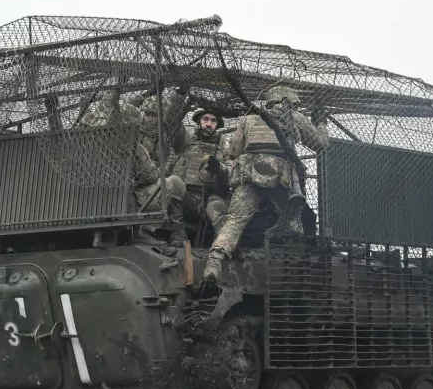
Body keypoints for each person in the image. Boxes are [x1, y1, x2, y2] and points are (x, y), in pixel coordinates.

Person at [202, 85, 331, 283]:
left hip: (250, 174)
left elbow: (234, 151)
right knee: (293, 222)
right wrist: (321, 122)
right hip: (281, 179)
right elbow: (320, 144)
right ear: (291, 101)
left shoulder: (251, 118)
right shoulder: (296, 118)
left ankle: (214, 261)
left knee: (235, 220)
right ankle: (300, 271)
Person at [80, 89, 186, 244]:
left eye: (154, 115)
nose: (150, 119)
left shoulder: (95, 138)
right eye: (147, 114)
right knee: (172, 183)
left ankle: (176, 234)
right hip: (129, 193)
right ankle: (142, 232)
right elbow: (149, 175)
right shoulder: (133, 139)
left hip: (106, 193)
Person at [161, 89, 233, 242]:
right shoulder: (186, 140)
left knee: (219, 208)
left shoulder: (223, 147)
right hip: (185, 198)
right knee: (174, 181)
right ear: (199, 122)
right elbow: (170, 122)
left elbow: (232, 172)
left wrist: (219, 168)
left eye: (213, 121)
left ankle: (223, 245)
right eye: (205, 119)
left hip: (209, 198)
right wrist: (179, 97)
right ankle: (178, 234)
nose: (209, 124)